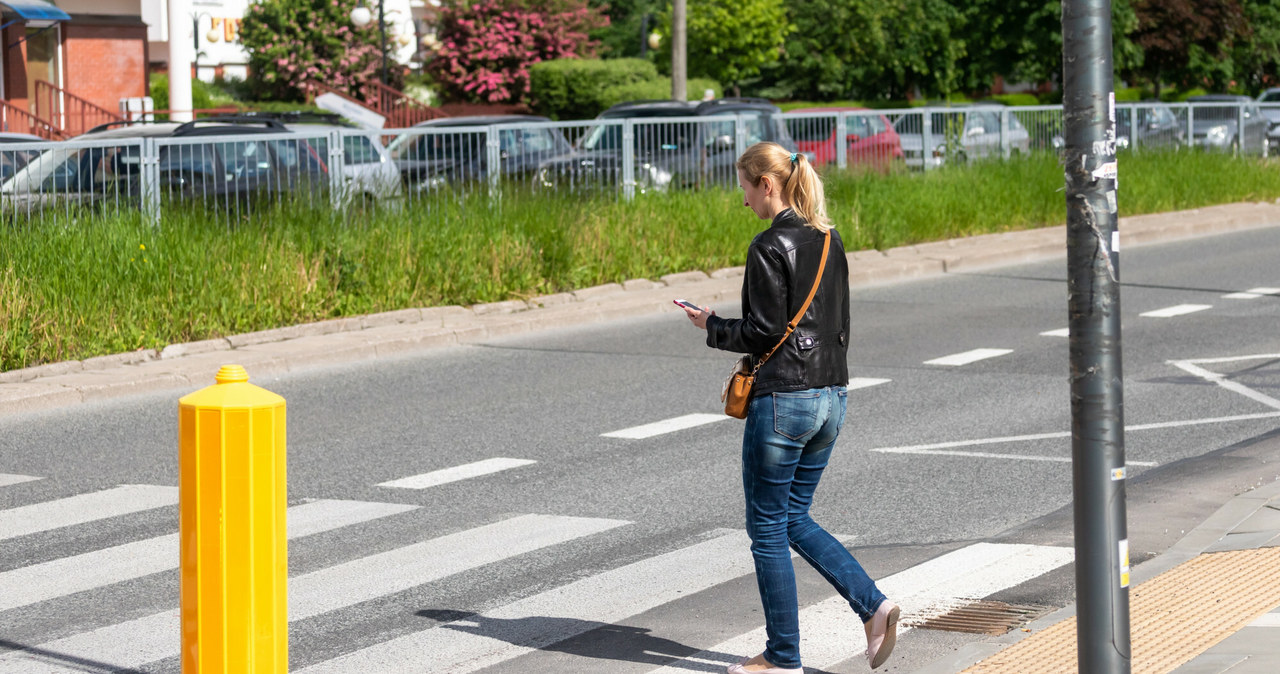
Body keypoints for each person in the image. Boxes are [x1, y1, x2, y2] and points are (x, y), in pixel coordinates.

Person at [681, 142, 900, 673]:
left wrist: (711, 325)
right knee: (793, 517)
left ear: (767, 185)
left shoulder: (767, 245)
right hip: (833, 397)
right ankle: (874, 606)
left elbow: (763, 331)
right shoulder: (830, 239)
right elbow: (839, 324)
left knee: (766, 531)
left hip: (785, 402)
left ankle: (782, 658)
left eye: (745, 187)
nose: (743, 199)